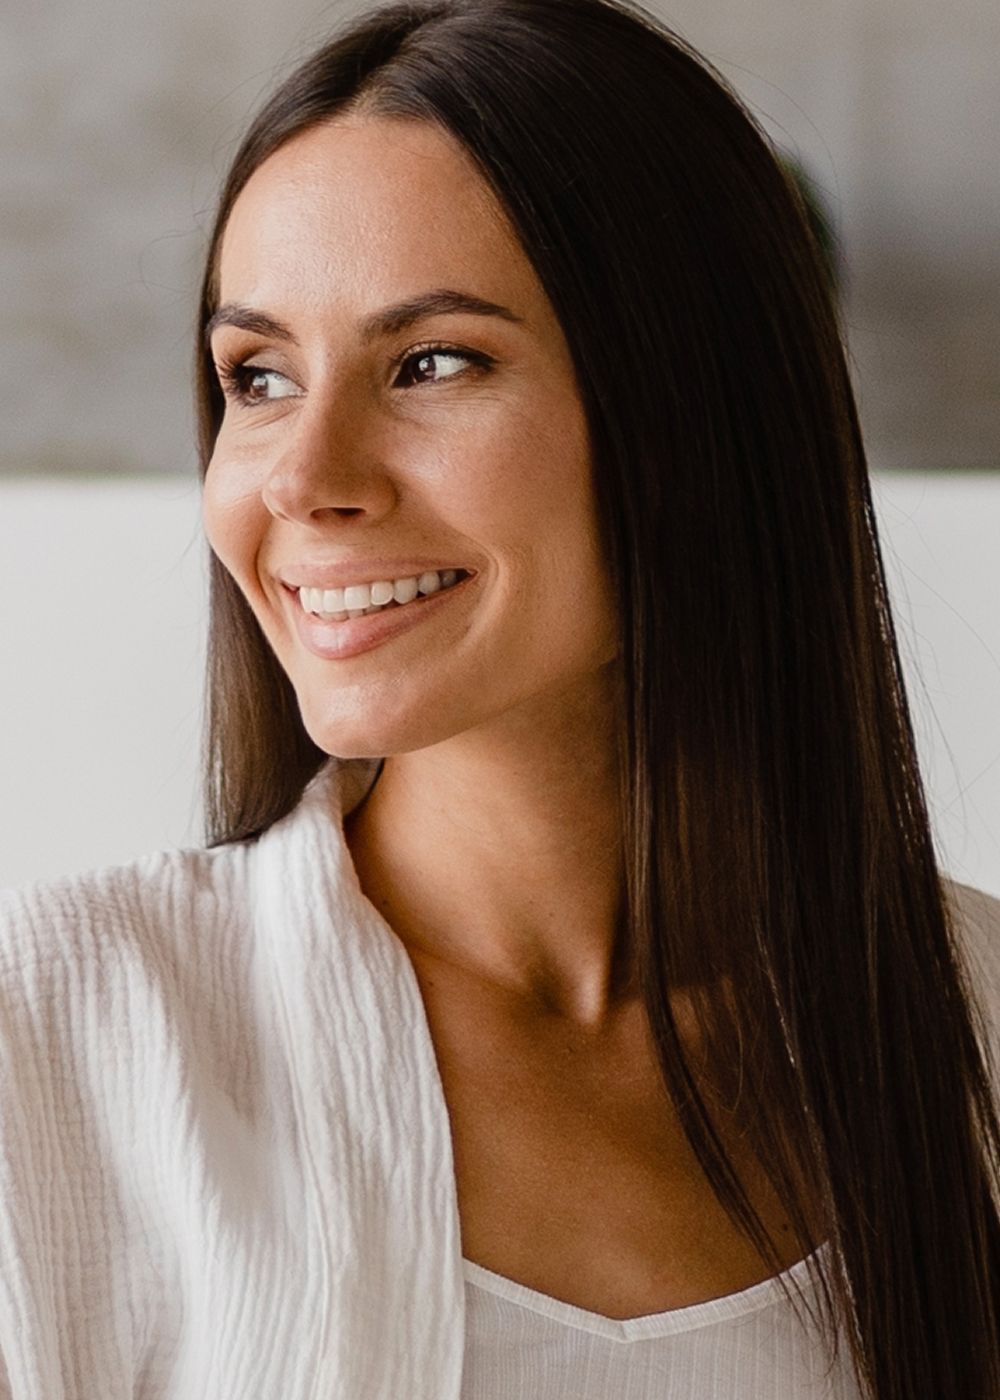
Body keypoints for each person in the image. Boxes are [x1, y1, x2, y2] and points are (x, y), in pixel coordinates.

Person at [2, 0, 999, 1395]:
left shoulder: (978, 1036)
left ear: (695, 414)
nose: (300, 478)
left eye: (432, 363)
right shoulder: (49, 1047)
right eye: (259, 376)